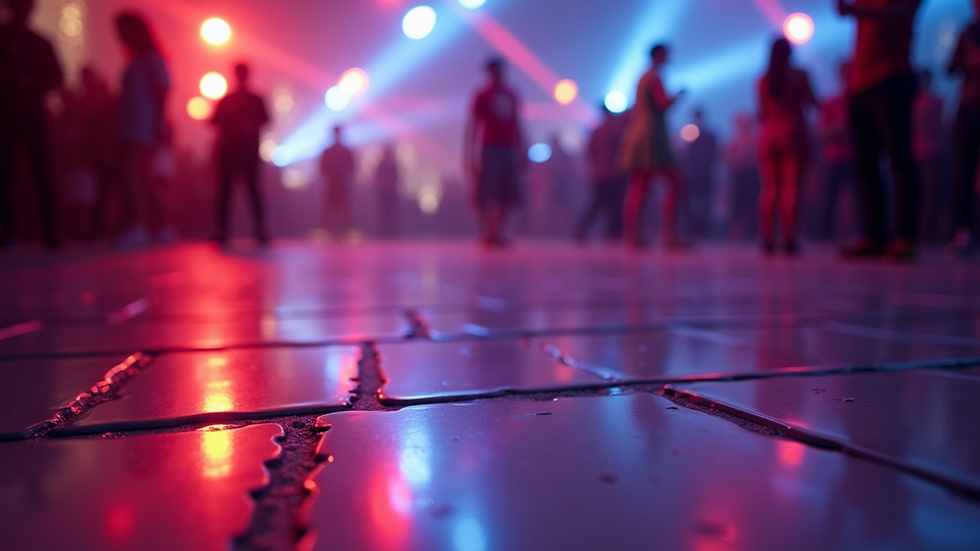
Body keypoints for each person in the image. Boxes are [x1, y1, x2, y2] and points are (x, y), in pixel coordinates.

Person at [837, 0, 923, 260]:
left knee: (899, 158)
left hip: (892, 75)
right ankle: (875, 235)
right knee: (865, 164)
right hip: (859, 82)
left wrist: (855, 11)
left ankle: (904, 237)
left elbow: (905, 12)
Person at [0, 0, 63, 250]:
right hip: (3, 112)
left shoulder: (40, 43)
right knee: (4, 172)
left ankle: (50, 229)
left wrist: (31, 82)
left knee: (42, 170)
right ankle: (9, 231)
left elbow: (56, 76)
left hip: (32, 111)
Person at [618, 44, 687, 249]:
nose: (669, 57)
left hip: (638, 133)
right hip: (651, 136)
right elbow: (663, 104)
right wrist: (678, 96)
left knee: (639, 187)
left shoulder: (642, 77)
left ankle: (632, 237)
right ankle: (668, 235)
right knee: (676, 184)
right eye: (666, 54)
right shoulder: (654, 77)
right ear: (658, 55)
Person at [114, 12, 172, 248]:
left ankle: (138, 227)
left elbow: (163, 90)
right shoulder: (136, 59)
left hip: (142, 127)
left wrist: (159, 122)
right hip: (131, 125)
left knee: (131, 175)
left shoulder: (152, 58)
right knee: (145, 178)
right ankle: (163, 227)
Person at [757, 38, 818, 254]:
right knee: (792, 188)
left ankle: (767, 239)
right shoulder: (799, 75)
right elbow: (813, 102)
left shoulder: (763, 80)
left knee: (771, 188)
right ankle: (789, 239)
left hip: (769, 133)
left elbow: (761, 112)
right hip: (792, 130)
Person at [464, 57, 524, 248]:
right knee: (485, 193)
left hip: (509, 148)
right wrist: (470, 153)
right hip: (489, 148)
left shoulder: (511, 94)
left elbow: (517, 123)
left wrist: (522, 147)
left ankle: (498, 232)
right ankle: (486, 232)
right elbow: (474, 124)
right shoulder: (482, 95)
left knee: (507, 193)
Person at [211, 63, 270, 246]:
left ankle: (253, 230)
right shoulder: (247, 99)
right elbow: (215, 121)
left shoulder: (236, 99)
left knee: (246, 191)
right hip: (235, 152)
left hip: (242, 151)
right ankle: (228, 230)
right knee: (230, 191)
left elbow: (266, 119)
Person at [947, 0, 980, 257]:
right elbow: (949, 68)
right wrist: (967, 60)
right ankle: (963, 232)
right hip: (969, 105)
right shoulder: (967, 32)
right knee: (964, 170)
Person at [574, 104, 628, 242]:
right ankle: (612, 233)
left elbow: (589, 152)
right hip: (611, 173)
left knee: (602, 204)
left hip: (598, 173)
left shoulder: (596, 131)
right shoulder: (615, 131)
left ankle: (586, 230)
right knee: (611, 204)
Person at [816, 62, 856, 242]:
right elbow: (821, 134)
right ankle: (825, 235)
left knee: (859, 201)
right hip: (834, 157)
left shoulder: (860, 101)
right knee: (829, 200)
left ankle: (860, 235)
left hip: (857, 157)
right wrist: (839, 127)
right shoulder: (831, 102)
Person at [912, 70, 949, 245]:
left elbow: (940, 125)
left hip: (932, 154)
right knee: (917, 197)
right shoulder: (911, 100)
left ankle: (928, 237)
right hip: (914, 154)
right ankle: (916, 235)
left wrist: (919, 124)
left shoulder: (936, 100)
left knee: (929, 197)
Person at [682, 109, 718, 239]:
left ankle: (701, 230)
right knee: (689, 203)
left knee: (705, 204)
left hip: (704, 174)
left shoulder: (709, 136)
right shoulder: (688, 135)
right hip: (693, 175)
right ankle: (691, 230)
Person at [726, 113, 761, 241]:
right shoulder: (733, 141)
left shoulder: (756, 138)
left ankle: (754, 232)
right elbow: (728, 158)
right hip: (739, 175)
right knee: (737, 204)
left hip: (753, 174)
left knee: (754, 204)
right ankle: (735, 233)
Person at [319, 125, 355, 237]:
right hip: (333, 182)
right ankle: (331, 231)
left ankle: (341, 231)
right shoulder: (338, 151)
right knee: (332, 209)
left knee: (340, 209)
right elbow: (323, 167)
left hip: (339, 183)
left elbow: (351, 167)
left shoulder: (337, 151)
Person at [374, 144, 400, 238]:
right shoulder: (382, 165)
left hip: (391, 192)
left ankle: (391, 233)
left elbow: (397, 179)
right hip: (384, 192)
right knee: (383, 213)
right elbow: (377, 178)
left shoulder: (393, 166)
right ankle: (384, 233)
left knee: (391, 213)